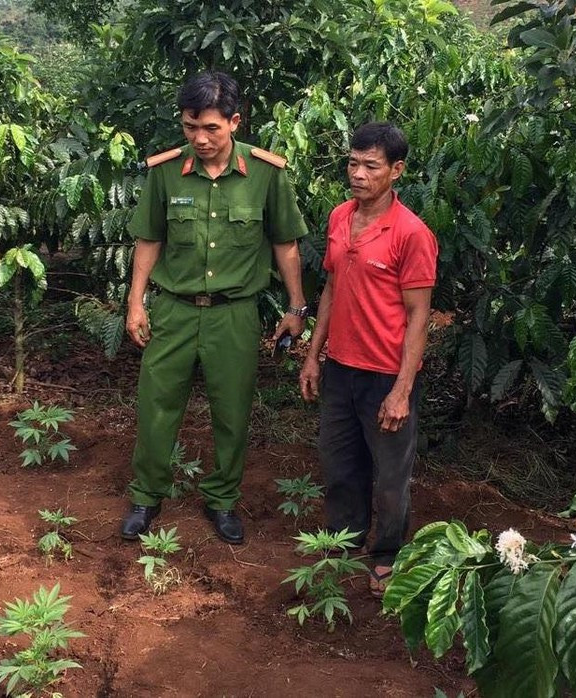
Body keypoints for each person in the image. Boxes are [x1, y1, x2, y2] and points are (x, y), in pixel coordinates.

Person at [121, 71, 309, 545]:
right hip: (174, 310)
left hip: (235, 314)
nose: (200, 139)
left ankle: (222, 499)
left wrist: (297, 306)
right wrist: (135, 302)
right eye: (190, 127)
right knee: (156, 405)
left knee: (232, 409)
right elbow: (150, 238)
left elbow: (284, 243)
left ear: (235, 122)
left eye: (211, 128)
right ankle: (147, 496)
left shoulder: (266, 173)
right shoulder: (165, 171)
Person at [299, 122, 438, 596]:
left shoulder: (412, 233)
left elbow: (419, 315)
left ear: (396, 171)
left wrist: (402, 389)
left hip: (385, 375)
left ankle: (387, 554)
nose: (358, 174)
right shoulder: (340, 217)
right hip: (340, 367)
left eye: (370, 166)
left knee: (390, 475)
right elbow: (332, 289)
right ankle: (345, 539)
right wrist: (313, 356)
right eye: (353, 163)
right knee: (339, 463)